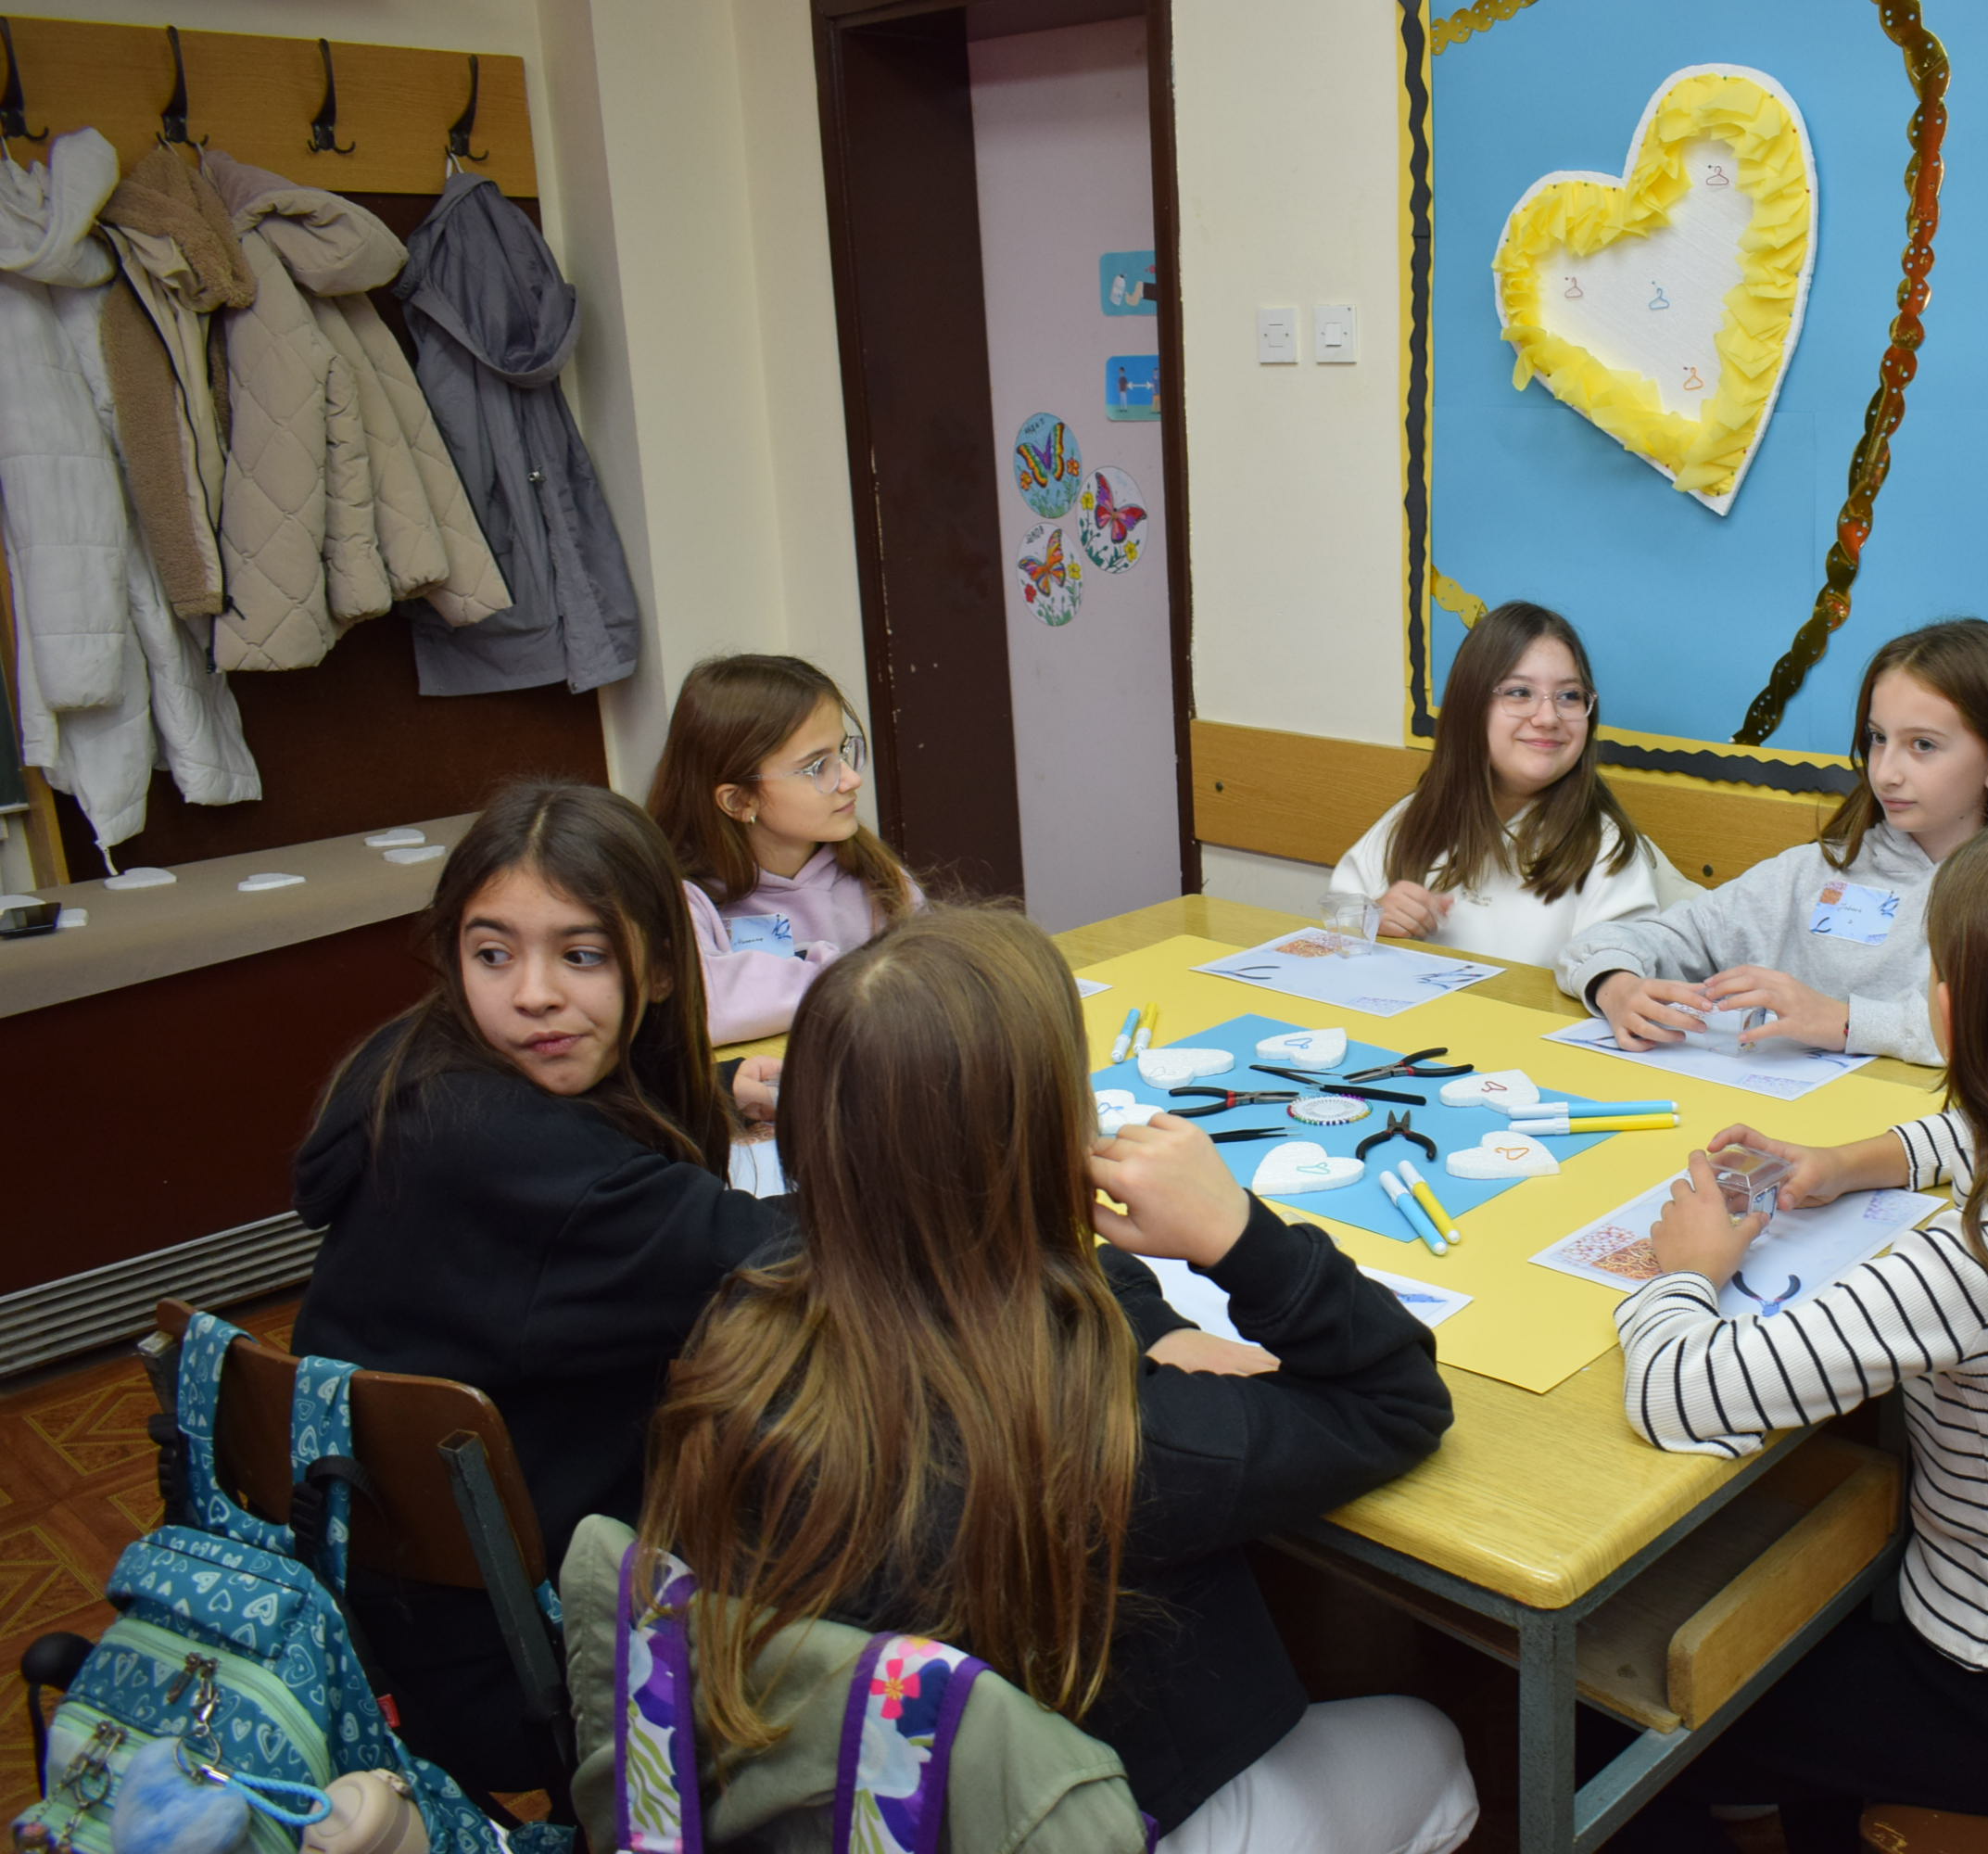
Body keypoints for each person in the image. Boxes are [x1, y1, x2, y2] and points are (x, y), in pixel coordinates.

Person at [636, 907, 1479, 1854]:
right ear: (1048, 1136)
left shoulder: (749, 1305)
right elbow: (1396, 1399)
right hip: (1079, 1816)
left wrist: (1154, 1324)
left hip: (841, 1795)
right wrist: (1236, 1233)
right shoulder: (1117, 1437)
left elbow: (1023, 1256)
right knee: (1432, 1743)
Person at [1609, 820, 1988, 1845]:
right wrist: (1845, 1162)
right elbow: (1984, 1128)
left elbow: (1680, 1393)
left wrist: (1687, 1268)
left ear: (1949, 1012)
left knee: (1616, 1739)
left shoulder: (1981, 1263)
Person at [292, 781, 792, 1800]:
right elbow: (784, 1257)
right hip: (511, 1653)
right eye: (494, 954)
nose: (532, 995)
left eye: (581, 955)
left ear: (660, 968)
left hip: (396, 1596)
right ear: (454, 956)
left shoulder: (414, 1067)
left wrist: (715, 1087)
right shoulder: (523, 1163)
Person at [1557, 617, 1988, 1064]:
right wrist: (1615, 985)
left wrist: (1844, 1022)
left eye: (1923, 745)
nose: (1886, 772)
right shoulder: (1813, 873)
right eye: (1877, 738)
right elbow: (1610, 944)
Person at [1330, 600, 1666, 967]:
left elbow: (1619, 975)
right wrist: (1373, 921)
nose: (1548, 717)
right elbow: (1337, 927)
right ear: (1470, 707)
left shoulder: (1606, 848)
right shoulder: (1413, 817)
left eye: (1569, 696)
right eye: (1520, 693)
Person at [647, 653, 922, 1042]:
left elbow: (932, 983)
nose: (850, 779)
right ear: (740, 801)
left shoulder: (878, 878)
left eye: (843, 751)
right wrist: (866, 977)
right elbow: (704, 1006)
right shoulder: (685, 899)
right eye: (818, 766)